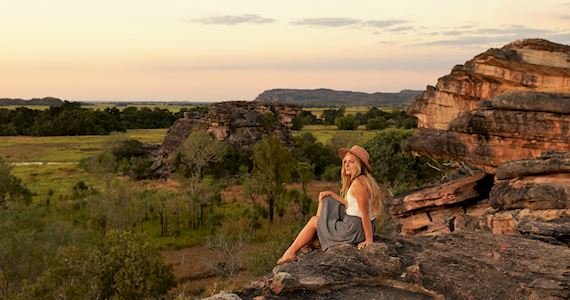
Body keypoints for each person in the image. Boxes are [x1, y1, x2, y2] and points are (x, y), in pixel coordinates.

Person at [277, 145, 382, 265]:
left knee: (313, 221)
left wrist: (369, 240)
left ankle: (291, 252)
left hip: (353, 230)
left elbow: (365, 214)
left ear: (359, 165)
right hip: (357, 227)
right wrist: (331, 194)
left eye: (351, 162)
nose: (346, 165)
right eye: (345, 162)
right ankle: (318, 235)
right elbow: (353, 206)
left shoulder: (359, 184)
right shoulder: (363, 180)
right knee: (327, 199)